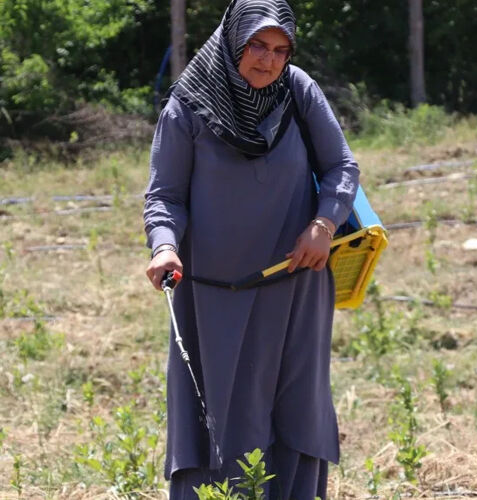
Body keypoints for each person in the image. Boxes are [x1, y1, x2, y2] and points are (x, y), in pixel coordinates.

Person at [142, 0, 359, 498]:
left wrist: (323, 224)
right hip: (212, 294)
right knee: (217, 411)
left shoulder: (297, 90)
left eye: (281, 49)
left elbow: (341, 167)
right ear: (232, 41)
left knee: (293, 404)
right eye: (258, 45)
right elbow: (165, 195)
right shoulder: (189, 104)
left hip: (297, 282)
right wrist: (165, 248)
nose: (268, 60)